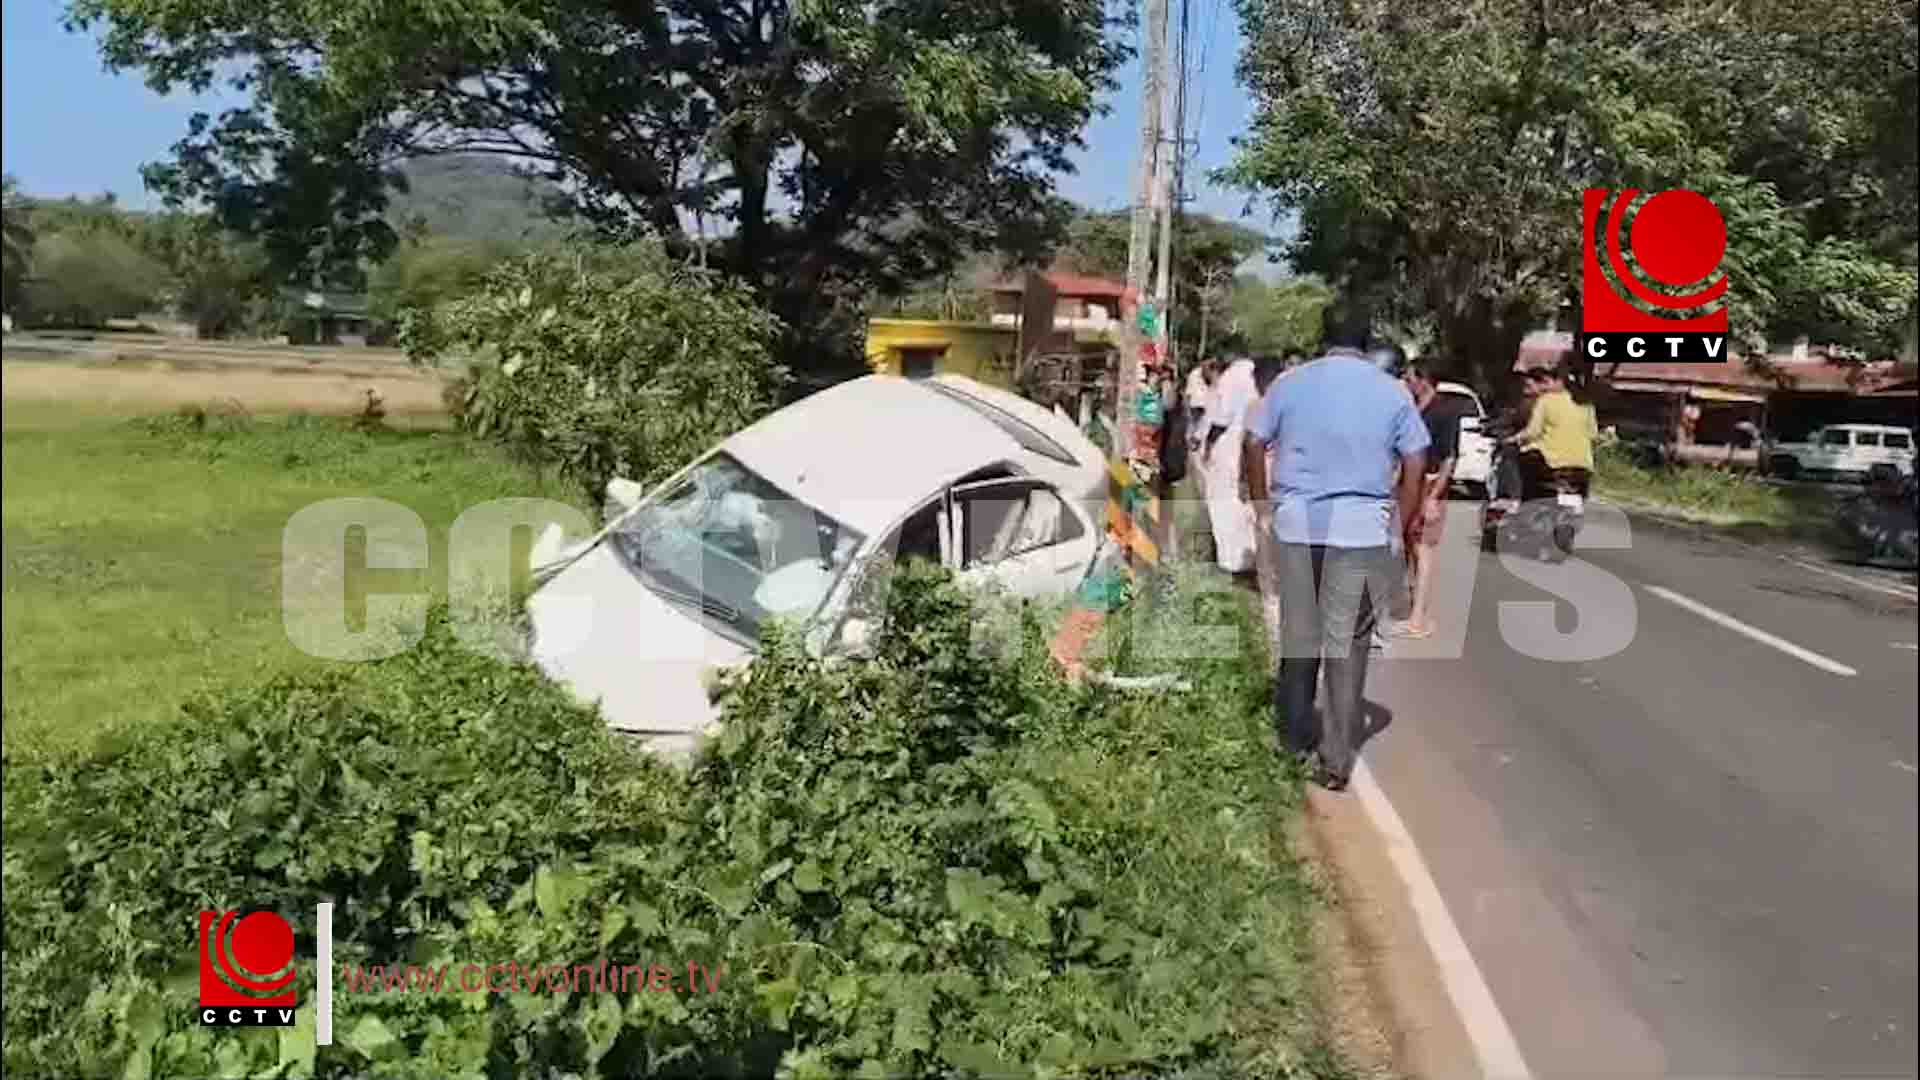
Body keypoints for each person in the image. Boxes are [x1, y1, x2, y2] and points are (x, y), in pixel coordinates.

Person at [1244, 307, 1428, 791]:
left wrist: (1263, 508)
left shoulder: (1289, 383)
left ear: (1322, 337)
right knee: (1348, 648)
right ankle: (1336, 760)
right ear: (1367, 343)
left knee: (1300, 637)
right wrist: (1399, 524)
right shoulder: (1392, 392)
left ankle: (1291, 740)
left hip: (1298, 526)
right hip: (1362, 532)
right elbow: (1416, 460)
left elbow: (1252, 441)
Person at [1395, 360, 1460, 639]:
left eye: (1409, 378)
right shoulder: (1410, 410)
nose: (1406, 383)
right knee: (1407, 546)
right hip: (1407, 483)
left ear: (1423, 380)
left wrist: (1434, 496)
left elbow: (1449, 458)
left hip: (1429, 483)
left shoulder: (1444, 412)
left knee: (1423, 549)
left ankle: (1418, 617)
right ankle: (1410, 607)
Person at [1242, 354, 1290, 656]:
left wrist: (1253, 499)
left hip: (1269, 497)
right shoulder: (1302, 406)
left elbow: (1249, 448)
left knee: (1270, 580)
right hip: (1298, 496)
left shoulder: (1258, 407)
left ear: (1259, 379)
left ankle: (1276, 648)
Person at [1203, 355, 1261, 572]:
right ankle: (1254, 557)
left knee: (1224, 503)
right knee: (1250, 505)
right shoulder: (1258, 373)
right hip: (1258, 445)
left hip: (1230, 446)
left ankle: (1232, 561)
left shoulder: (1230, 377)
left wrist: (1207, 446)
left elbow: (1220, 419)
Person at [1505, 365, 1597, 500]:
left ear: (1559, 382)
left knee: (1526, 477)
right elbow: (1593, 435)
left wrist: (1513, 439)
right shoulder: (1587, 404)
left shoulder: (1546, 400)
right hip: (1583, 468)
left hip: (1553, 464)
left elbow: (1533, 432)